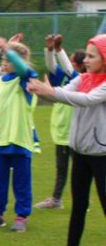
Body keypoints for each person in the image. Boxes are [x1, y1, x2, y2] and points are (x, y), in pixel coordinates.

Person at [29, 34, 106, 246]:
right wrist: (38, 89)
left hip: (102, 155)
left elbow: (85, 101)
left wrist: (50, 92)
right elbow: (60, 92)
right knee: (79, 205)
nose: (86, 60)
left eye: (92, 56)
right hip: (81, 153)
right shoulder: (83, 78)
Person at [0, 42, 38, 233]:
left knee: (21, 181)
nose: (4, 63)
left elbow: (25, 70)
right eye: (4, 59)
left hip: (20, 139)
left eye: (9, 60)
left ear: (20, 61)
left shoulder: (25, 81)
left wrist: (10, 51)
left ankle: (21, 216)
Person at [36, 35, 85, 210]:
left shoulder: (82, 80)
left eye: (72, 60)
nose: (69, 63)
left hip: (75, 132)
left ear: (80, 65)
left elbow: (70, 70)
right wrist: (49, 51)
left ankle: (79, 201)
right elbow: (52, 66)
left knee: (82, 171)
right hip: (60, 130)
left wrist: (58, 50)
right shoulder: (65, 77)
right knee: (62, 169)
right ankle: (57, 200)